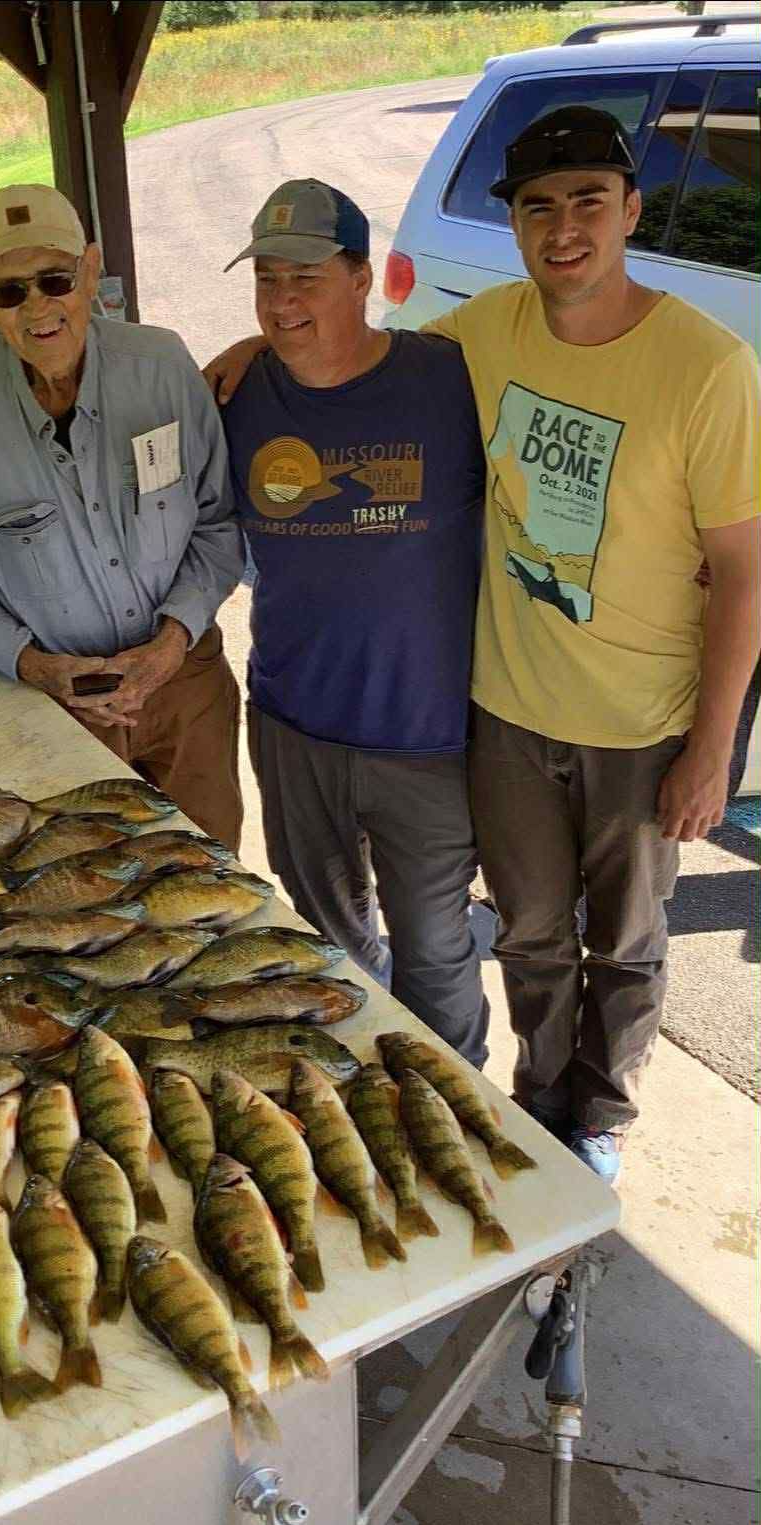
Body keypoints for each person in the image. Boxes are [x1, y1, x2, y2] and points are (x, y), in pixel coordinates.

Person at [437, 107, 761, 1180]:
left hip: (642, 731)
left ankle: (601, 1118)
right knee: (529, 936)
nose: (561, 227)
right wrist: (264, 340)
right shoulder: (485, 330)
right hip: (509, 714)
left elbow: (745, 572)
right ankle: (536, 1099)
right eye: (536, 206)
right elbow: (361, 366)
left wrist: (711, 751)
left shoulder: (705, 369)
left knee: (623, 946)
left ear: (628, 209)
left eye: (586, 200)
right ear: (515, 226)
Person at [218, 178, 489, 1065]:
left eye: (306, 278)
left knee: (438, 950)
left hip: (426, 735)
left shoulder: (449, 380)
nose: (282, 302)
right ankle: (368, 1079)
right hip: (296, 724)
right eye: (266, 280)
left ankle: (457, 1102)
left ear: (361, 278)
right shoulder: (235, 396)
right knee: (326, 938)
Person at [0, 184, 245, 849]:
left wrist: (170, 645)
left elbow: (216, 521)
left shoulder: (163, 366)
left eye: (54, 280)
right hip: (55, 709)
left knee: (212, 886)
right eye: (9, 292)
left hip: (185, 684)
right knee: (90, 904)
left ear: (90, 273)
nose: (37, 309)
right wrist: (30, 664)